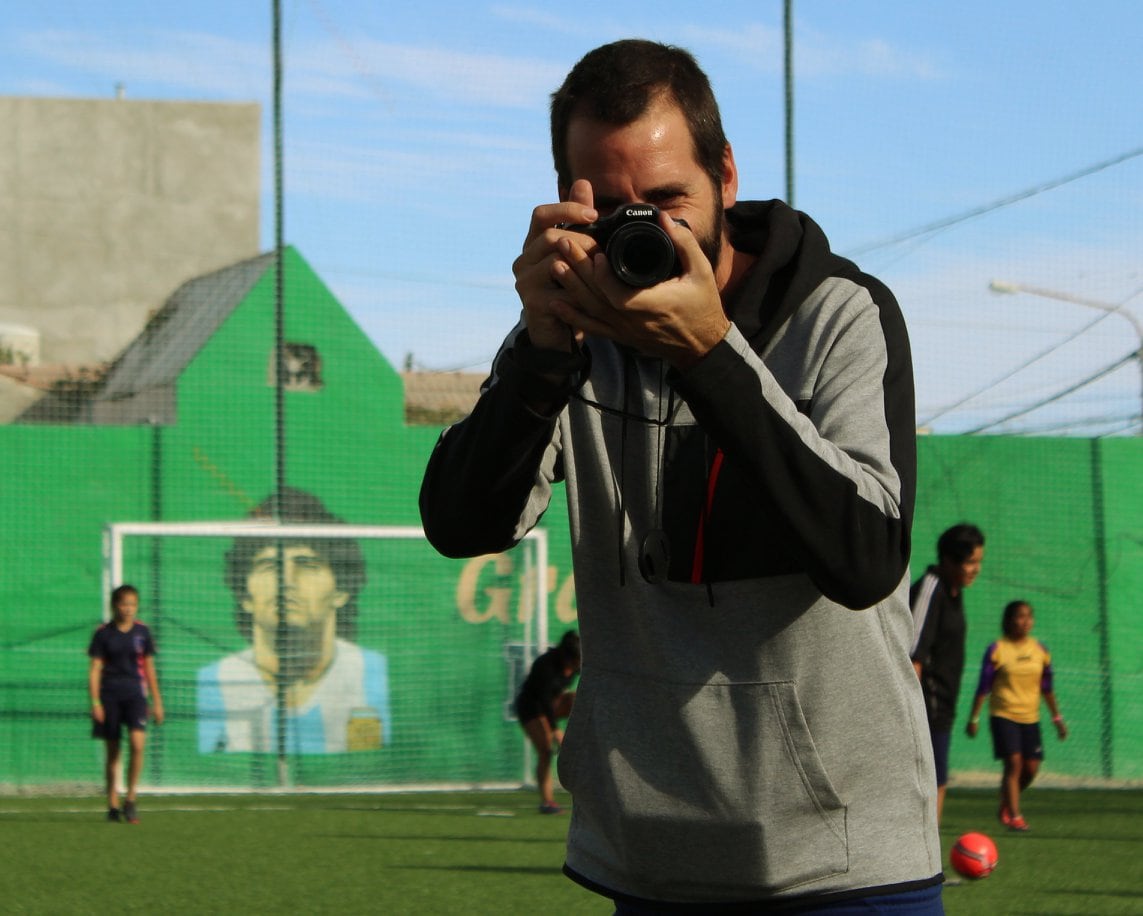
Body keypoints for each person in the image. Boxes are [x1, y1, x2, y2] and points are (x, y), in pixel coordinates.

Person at [421, 39, 943, 912]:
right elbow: (461, 524)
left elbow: (863, 559)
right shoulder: (570, 333)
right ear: (567, 204)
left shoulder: (838, 314)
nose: (645, 232)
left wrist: (710, 354)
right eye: (610, 210)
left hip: (845, 859)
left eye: (667, 201)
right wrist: (540, 357)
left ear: (725, 175)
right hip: (647, 855)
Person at [197, 487, 391, 754]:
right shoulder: (216, 679)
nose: (286, 581)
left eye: (307, 564)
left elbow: (371, 760)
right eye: (269, 566)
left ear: (341, 590)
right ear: (244, 595)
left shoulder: (369, 671)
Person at [965, 600, 1067, 832]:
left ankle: (1007, 800)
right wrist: (974, 718)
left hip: (1030, 717)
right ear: (1009, 620)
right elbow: (984, 686)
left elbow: (1047, 688)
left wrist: (1057, 719)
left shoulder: (1040, 650)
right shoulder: (998, 649)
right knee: (1014, 763)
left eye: (1029, 616)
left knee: (1031, 768)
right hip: (1003, 714)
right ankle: (1015, 815)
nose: (1025, 621)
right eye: (1020, 616)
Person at [910, 523, 985, 822]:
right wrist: (911, 710)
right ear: (949, 560)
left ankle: (930, 846)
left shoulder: (954, 592)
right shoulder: (931, 589)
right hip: (926, 704)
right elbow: (913, 654)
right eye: (971, 562)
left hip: (943, 704)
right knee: (929, 781)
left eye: (979, 562)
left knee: (937, 780)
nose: (976, 569)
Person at [88, 583, 164, 824]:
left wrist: (157, 701)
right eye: (124, 604)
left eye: (132, 604)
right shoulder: (103, 633)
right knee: (113, 753)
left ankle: (130, 799)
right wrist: (95, 702)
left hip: (135, 695)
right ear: (115, 606)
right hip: (109, 696)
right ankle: (112, 804)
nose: (128, 609)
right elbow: (95, 669)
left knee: (138, 744)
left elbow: (149, 668)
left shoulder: (142, 632)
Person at [515, 630, 581, 814]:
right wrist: (555, 731)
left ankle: (580, 740)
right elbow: (543, 701)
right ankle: (547, 802)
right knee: (545, 750)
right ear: (566, 656)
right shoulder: (545, 665)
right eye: (574, 662)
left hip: (552, 706)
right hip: (532, 709)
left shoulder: (577, 666)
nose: (575, 667)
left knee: (576, 699)